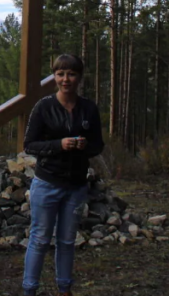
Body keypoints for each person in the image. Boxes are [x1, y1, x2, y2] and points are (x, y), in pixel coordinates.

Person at [22, 54, 104, 296]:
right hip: (47, 182)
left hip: (76, 185)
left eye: (71, 74)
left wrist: (83, 146)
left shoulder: (89, 108)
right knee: (39, 239)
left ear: (79, 77)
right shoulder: (44, 107)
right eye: (60, 74)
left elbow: (98, 145)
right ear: (54, 77)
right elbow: (29, 145)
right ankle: (30, 290)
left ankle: (65, 289)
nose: (65, 79)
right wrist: (59, 144)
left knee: (67, 241)